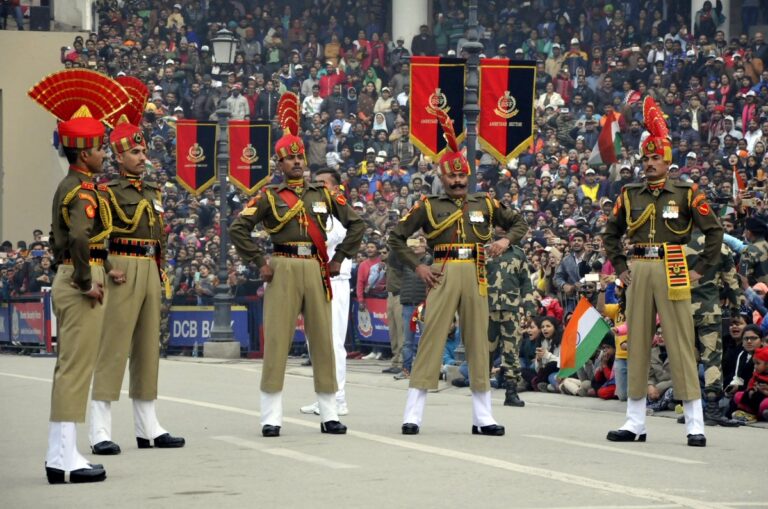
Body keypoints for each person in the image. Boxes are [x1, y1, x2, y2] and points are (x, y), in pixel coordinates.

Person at [229, 93, 364, 437]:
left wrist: (337, 259)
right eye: (290, 159)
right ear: (279, 165)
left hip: (318, 268)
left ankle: (330, 413)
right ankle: (271, 417)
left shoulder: (324, 194)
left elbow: (357, 223)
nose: (297, 163)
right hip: (284, 265)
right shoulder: (269, 197)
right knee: (277, 341)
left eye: (300, 157)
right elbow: (238, 228)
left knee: (323, 340)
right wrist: (259, 260)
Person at [388, 109, 527, 436]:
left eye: (462, 175)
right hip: (443, 271)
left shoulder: (485, 203)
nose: (458, 181)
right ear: (442, 175)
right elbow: (396, 236)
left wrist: (506, 240)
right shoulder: (428, 205)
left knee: (479, 342)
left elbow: (519, 223)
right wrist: (419, 266)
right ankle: (413, 415)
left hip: (477, 271)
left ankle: (483, 418)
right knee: (431, 339)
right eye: (452, 176)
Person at [603, 97, 724, 447]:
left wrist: (700, 269)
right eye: (646, 158)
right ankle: (635, 422)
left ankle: (694, 423)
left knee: (681, 343)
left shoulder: (687, 192)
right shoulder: (629, 195)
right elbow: (611, 234)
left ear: (668, 161)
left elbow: (714, 231)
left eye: (656, 158)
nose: (650, 163)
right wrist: (622, 268)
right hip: (640, 266)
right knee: (636, 342)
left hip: (673, 266)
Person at [29, 70, 125, 483]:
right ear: (84, 153)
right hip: (78, 280)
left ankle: (60, 453)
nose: (104, 154)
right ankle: (64, 457)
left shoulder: (70, 184)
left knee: (69, 368)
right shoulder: (83, 191)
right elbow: (82, 238)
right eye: (100, 149)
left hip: (68, 274)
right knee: (75, 369)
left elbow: (67, 239)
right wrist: (89, 280)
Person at [89, 109, 185, 455]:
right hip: (122, 268)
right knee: (113, 348)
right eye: (135, 153)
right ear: (118, 157)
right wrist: (106, 265)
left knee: (148, 350)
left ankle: (148, 427)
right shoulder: (107, 191)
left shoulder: (153, 190)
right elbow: (93, 235)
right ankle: (99, 430)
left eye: (144, 152)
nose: (143, 157)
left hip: (149, 267)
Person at [300, 168, 353, 417]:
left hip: (336, 280)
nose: (317, 187)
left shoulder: (340, 212)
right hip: (314, 280)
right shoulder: (316, 210)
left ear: (335, 188)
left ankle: (338, 397)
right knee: (316, 343)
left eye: (323, 183)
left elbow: (326, 239)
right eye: (315, 183)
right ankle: (324, 395)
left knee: (332, 343)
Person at [683, 232, 741, 426]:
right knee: (712, 359)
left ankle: (691, 408)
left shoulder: (676, 245)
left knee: (687, 359)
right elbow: (731, 283)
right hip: (709, 309)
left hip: (680, 310)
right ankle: (712, 408)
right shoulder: (721, 247)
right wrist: (736, 311)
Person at [486, 227, 536, 407]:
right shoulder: (484, 251)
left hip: (512, 310)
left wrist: (529, 308)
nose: (500, 229)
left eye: (503, 225)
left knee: (511, 351)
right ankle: (481, 390)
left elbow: (526, 282)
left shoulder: (518, 253)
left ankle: (511, 391)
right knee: (485, 351)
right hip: (487, 309)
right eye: (497, 225)